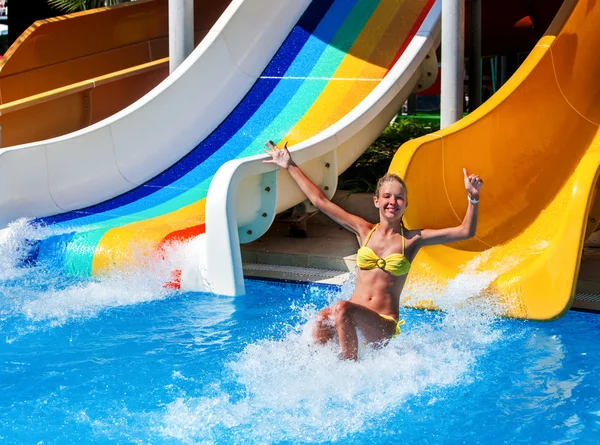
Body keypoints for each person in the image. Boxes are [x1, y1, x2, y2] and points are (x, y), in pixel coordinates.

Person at [264, 140, 483, 360]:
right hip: (349, 318)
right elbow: (319, 201)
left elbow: (465, 231)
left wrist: (472, 198)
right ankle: (311, 365)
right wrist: (288, 164)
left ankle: (350, 368)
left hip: (382, 325)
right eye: (387, 196)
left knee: (341, 308)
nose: (393, 201)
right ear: (376, 201)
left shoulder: (413, 239)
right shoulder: (363, 230)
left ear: (406, 205)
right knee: (322, 319)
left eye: (399, 197)